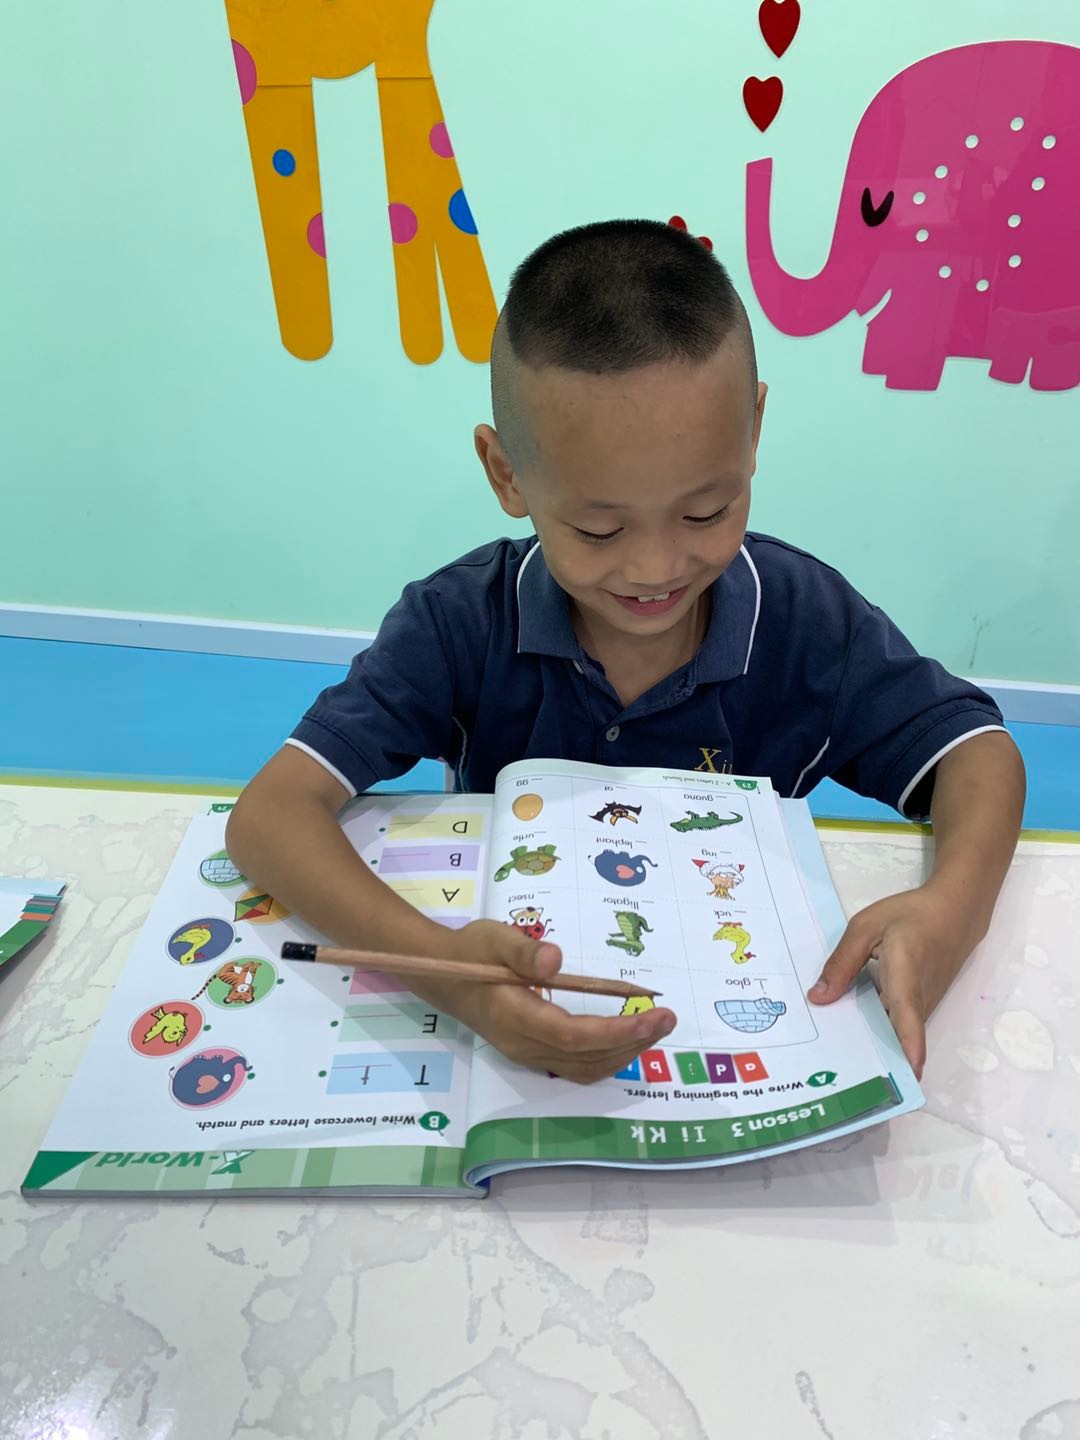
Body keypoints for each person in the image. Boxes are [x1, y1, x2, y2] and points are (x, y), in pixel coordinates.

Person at [227, 219, 1024, 1083]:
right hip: (509, 1048)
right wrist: (444, 972)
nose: (654, 569)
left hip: (745, 1033)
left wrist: (954, 909)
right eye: (599, 529)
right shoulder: (459, 621)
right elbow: (270, 816)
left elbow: (977, 751)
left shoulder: (804, 620)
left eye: (706, 512)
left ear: (753, 429)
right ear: (506, 474)